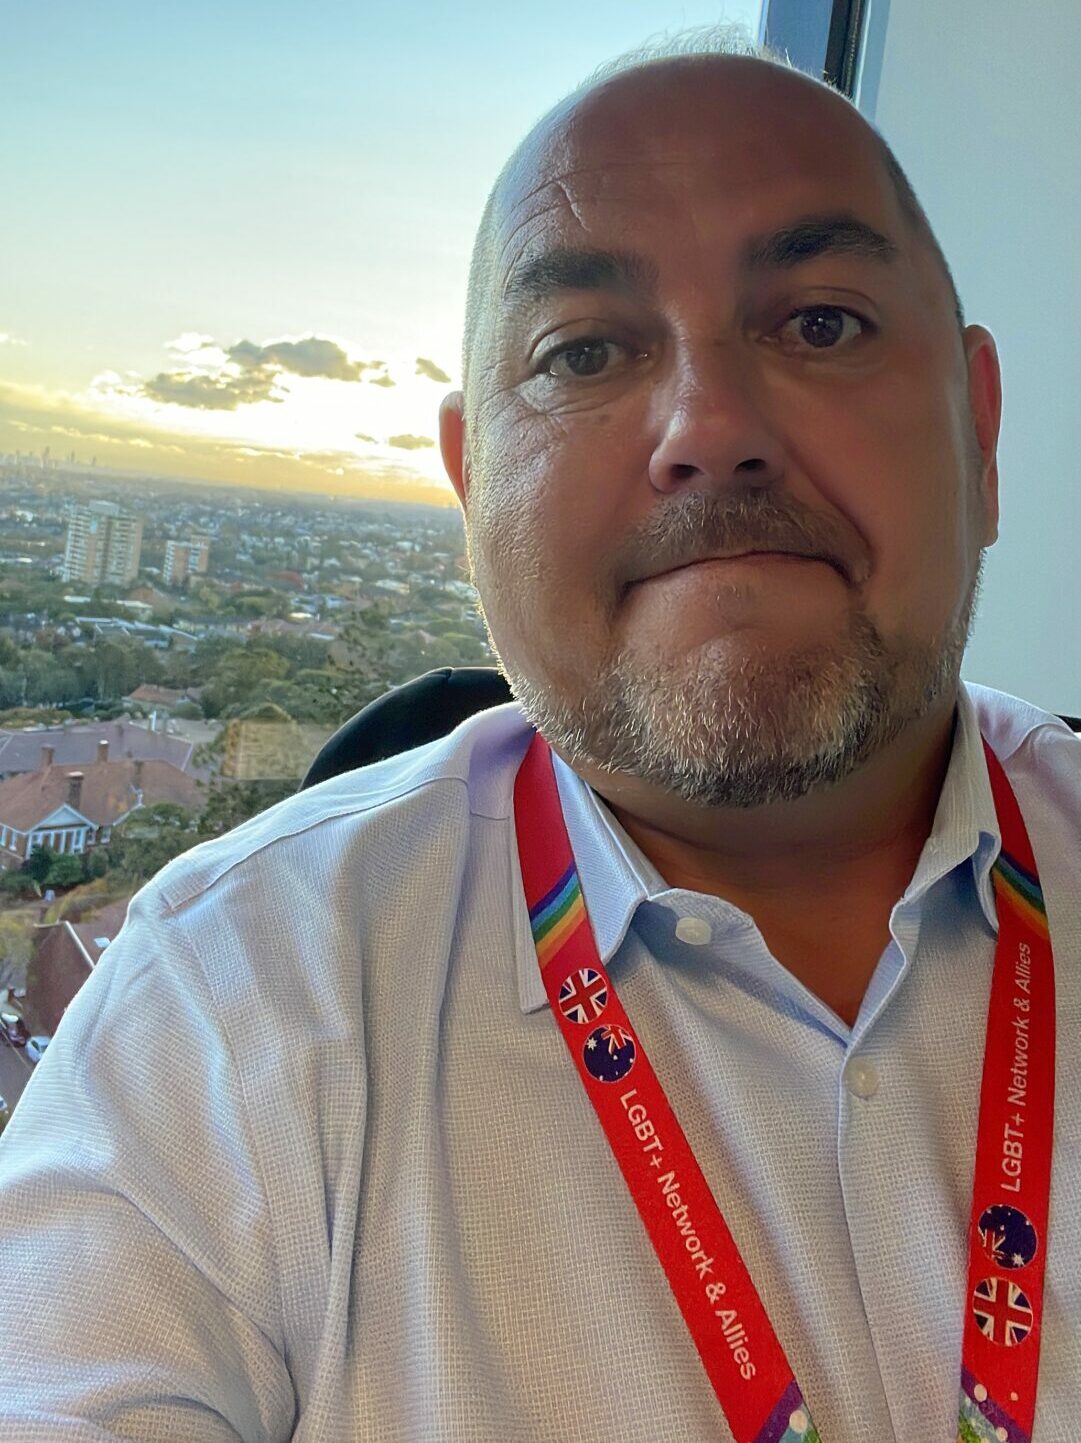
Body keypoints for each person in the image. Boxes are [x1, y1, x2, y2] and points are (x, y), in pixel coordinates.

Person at [0, 30, 1078, 1443]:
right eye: (581, 353)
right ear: (468, 488)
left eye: (819, 321)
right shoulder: (230, 997)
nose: (710, 427)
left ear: (979, 433)